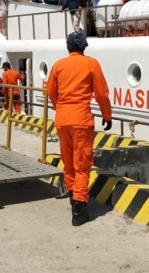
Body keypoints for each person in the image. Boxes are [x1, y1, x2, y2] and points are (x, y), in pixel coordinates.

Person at [46, 32, 112, 226]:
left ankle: (72, 196)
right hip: (81, 120)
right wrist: (107, 116)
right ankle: (79, 211)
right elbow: (101, 93)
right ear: (84, 47)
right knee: (82, 165)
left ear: (68, 47)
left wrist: (60, 108)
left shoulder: (59, 65)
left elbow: (50, 90)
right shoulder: (91, 64)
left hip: (62, 119)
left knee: (68, 161)